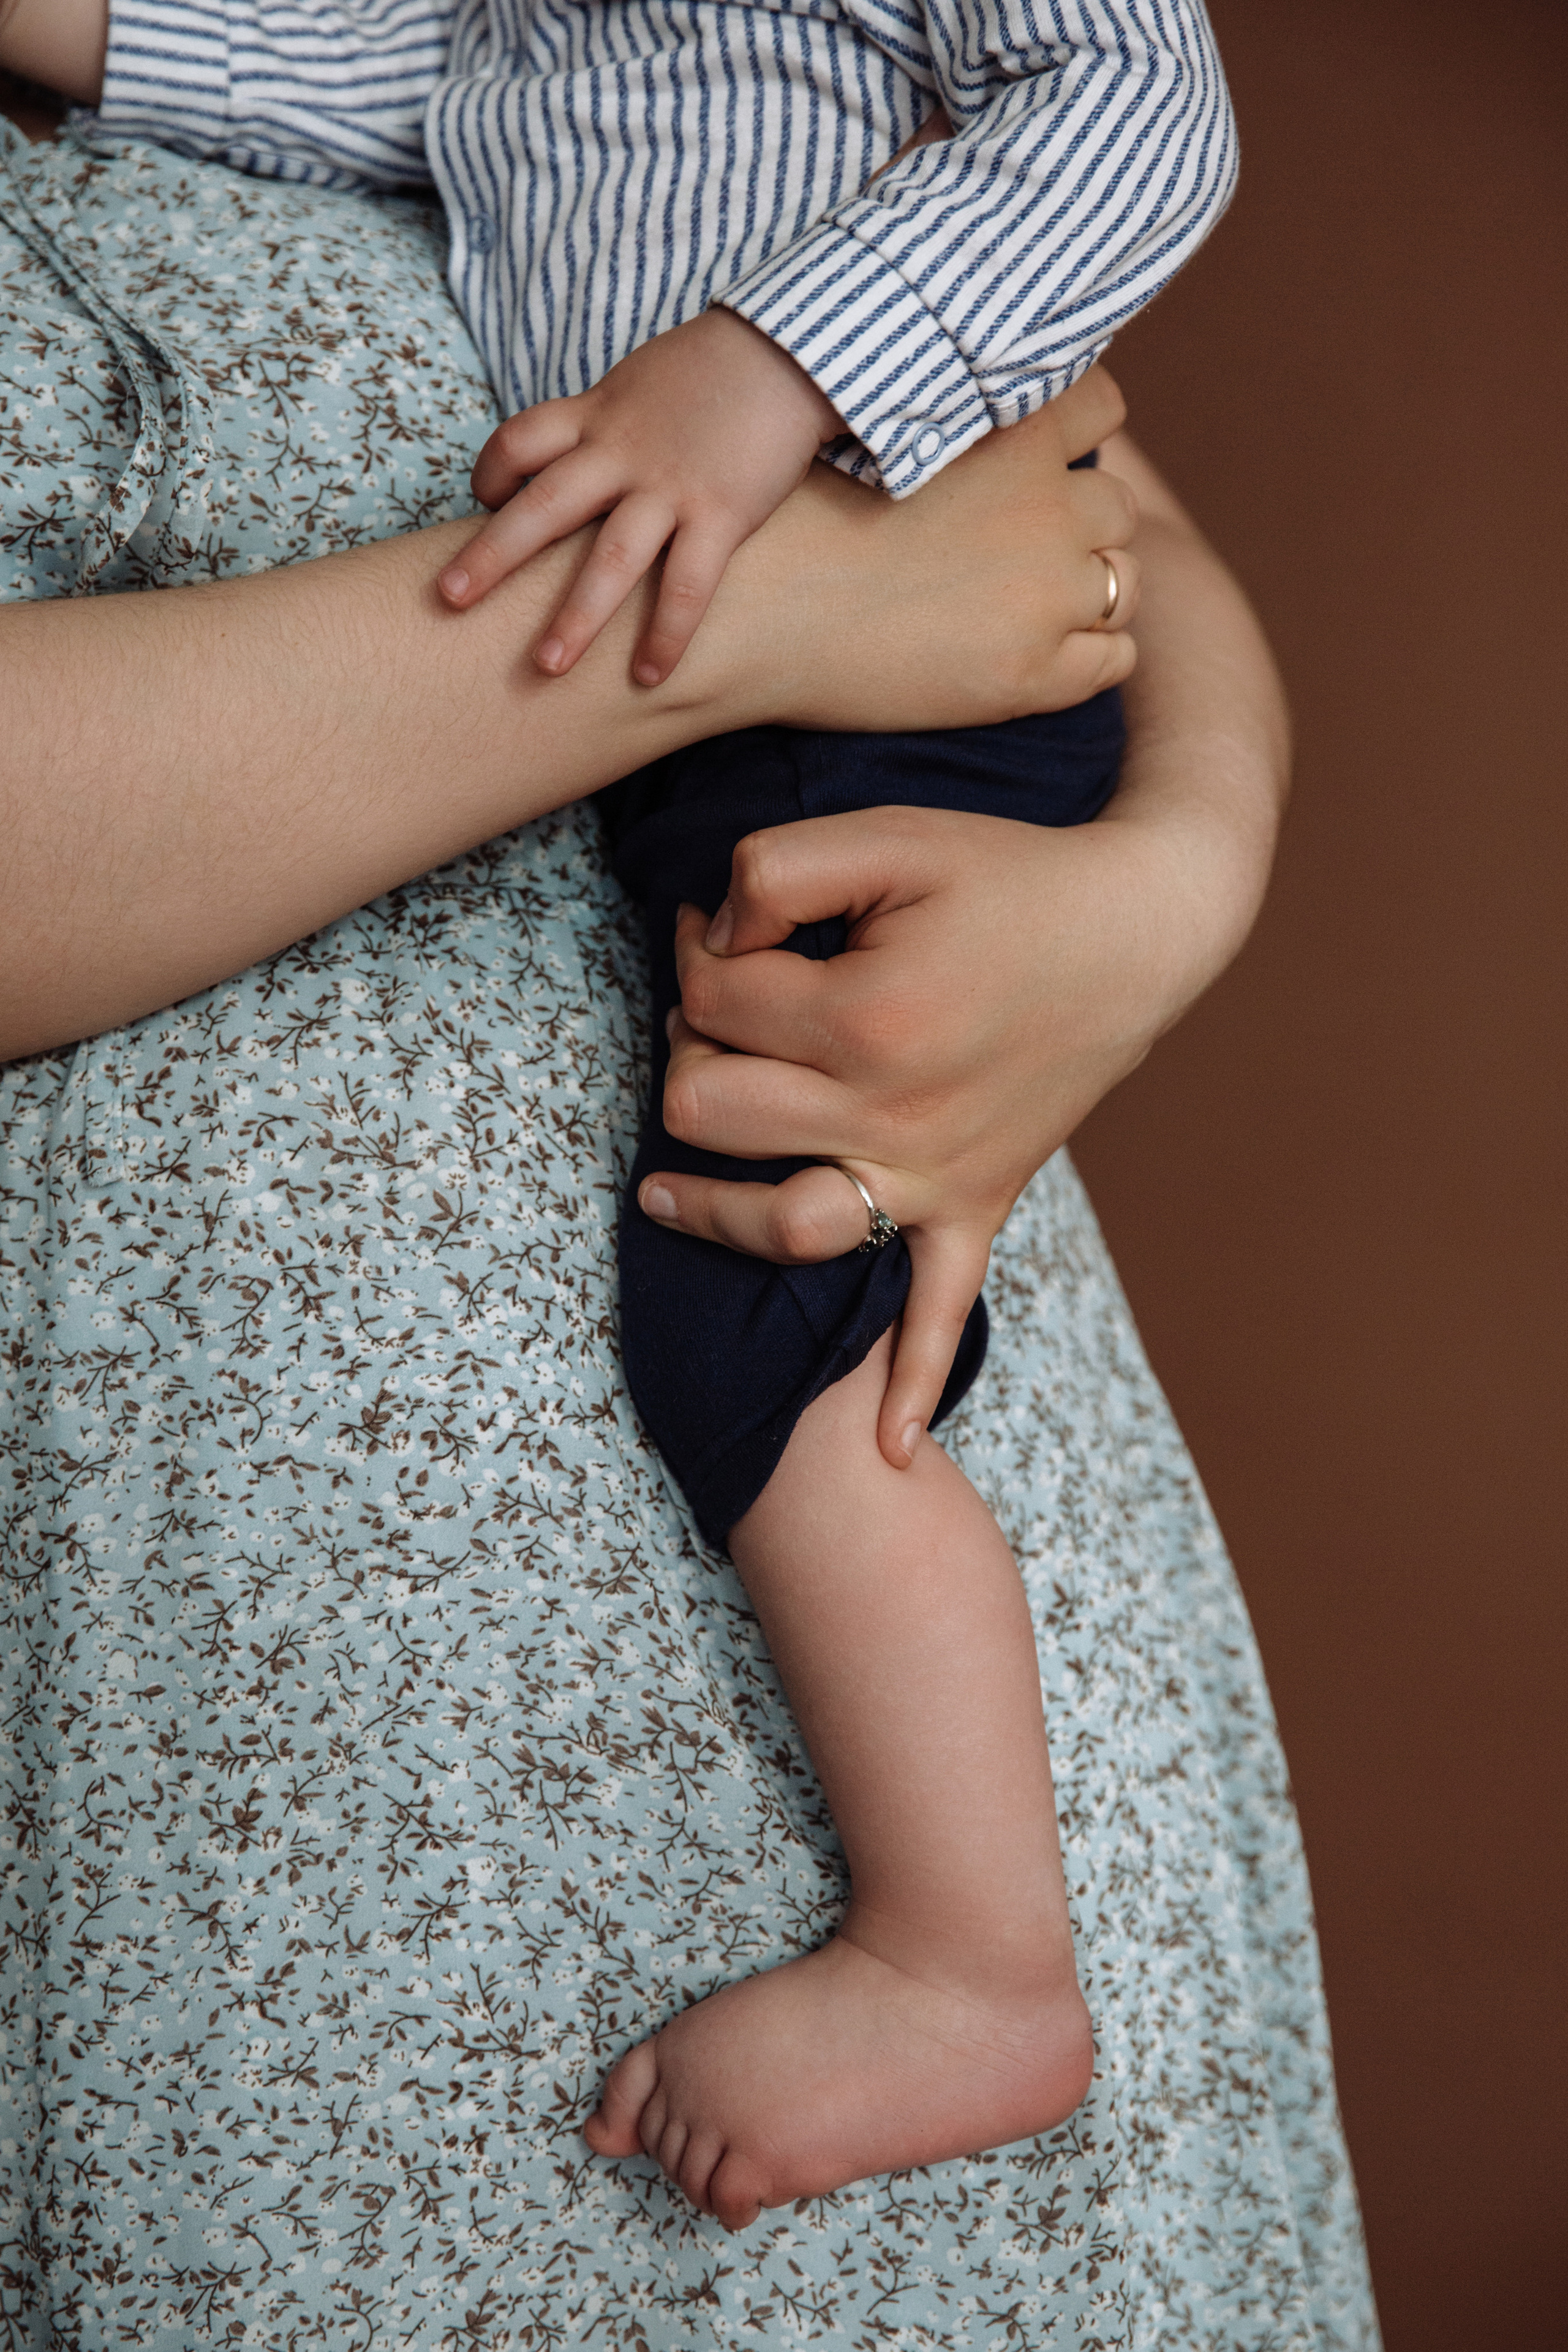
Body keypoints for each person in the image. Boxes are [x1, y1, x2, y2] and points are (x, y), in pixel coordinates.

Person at [0, 81, 1381, 2352]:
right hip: (257, 1752)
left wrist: (1166, 885)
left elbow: (1093, 478)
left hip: (917, 1537)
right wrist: (747, 619)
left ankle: (973, 1943)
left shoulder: (586, 50)